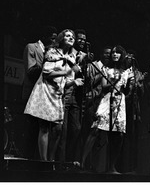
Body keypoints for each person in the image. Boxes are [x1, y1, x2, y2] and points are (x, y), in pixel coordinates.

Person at [24, 29, 83, 161]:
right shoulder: (52, 52)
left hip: (57, 94)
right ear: (61, 38)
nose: (71, 38)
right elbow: (46, 73)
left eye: (73, 36)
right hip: (46, 91)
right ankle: (44, 162)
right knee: (44, 127)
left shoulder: (72, 58)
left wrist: (74, 81)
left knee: (58, 129)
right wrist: (68, 72)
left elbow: (66, 81)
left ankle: (51, 160)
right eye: (68, 35)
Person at [80, 45, 132, 174]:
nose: (114, 54)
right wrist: (115, 81)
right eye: (113, 52)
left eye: (117, 53)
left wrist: (130, 84)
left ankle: (112, 167)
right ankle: (82, 161)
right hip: (107, 99)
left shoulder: (126, 71)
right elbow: (104, 86)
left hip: (120, 102)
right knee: (96, 129)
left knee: (119, 134)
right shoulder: (106, 69)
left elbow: (126, 90)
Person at [22, 25, 57, 159]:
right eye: (53, 38)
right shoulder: (31, 47)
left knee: (43, 130)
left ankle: (39, 162)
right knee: (31, 129)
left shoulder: (52, 51)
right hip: (32, 93)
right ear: (45, 37)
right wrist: (47, 63)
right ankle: (28, 162)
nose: (54, 41)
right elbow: (30, 71)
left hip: (45, 95)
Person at [57, 29, 92, 164]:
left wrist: (86, 62)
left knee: (76, 129)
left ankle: (70, 161)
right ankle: (61, 162)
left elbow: (85, 76)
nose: (82, 41)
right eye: (80, 39)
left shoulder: (83, 55)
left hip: (77, 97)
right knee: (63, 132)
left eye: (84, 39)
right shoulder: (69, 52)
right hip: (66, 93)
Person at [119, 49, 145, 173]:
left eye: (131, 58)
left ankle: (133, 166)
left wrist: (139, 84)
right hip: (122, 104)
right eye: (127, 58)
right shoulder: (122, 72)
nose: (129, 60)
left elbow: (142, 93)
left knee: (133, 136)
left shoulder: (138, 73)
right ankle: (121, 166)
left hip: (134, 107)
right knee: (122, 136)